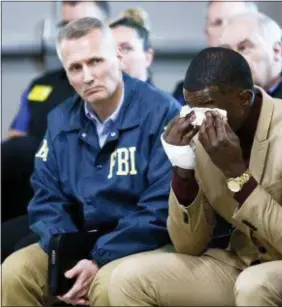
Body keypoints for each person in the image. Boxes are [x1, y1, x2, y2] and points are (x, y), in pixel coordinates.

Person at [108, 47, 282, 306]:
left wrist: (236, 172)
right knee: (126, 279)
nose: (197, 118)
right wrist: (182, 169)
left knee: (255, 285)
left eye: (207, 106)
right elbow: (189, 246)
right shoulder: (202, 137)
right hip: (241, 262)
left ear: (244, 98)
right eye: (190, 106)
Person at [2, 17, 180, 306]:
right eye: (75, 67)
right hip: (79, 240)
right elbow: (46, 198)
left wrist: (99, 257)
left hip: (144, 243)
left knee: (110, 285)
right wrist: (69, 257)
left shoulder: (163, 113)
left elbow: (162, 206)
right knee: (14, 273)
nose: (87, 76)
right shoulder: (60, 120)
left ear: (118, 57)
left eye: (95, 61)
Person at [2, 1, 111, 224]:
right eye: (65, 27)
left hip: (78, 196)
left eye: (81, 27)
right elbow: (14, 140)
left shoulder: (108, 85)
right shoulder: (41, 86)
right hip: (29, 189)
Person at [172, 0, 258, 105]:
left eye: (235, 21)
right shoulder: (185, 94)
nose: (225, 30)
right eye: (217, 23)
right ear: (206, 34)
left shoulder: (276, 96)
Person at [110, 7, 155, 84]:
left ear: (147, 58)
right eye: (110, 50)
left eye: (126, 49)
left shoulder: (159, 96)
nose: (116, 57)